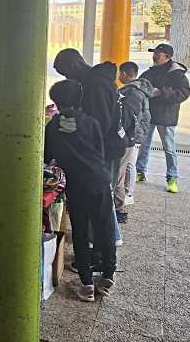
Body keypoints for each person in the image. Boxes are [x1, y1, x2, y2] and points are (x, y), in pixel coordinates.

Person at [44, 80, 117, 302]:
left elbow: (47, 158)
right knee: (105, 229)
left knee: (81, 233)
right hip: (100, 181)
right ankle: (107, 277)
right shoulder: (91, 123)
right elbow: (100, 152)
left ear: (56, 102)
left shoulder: (53, 127)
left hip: (77, 187)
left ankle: (86, 285)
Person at [53, 48, 124, 245]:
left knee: (100, 194)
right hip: (107, 145)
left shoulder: (95, 85)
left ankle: (106, 242)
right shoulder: (94, 80)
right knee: (101, 194)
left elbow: (100, 123)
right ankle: (106, 239)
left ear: (74, 64)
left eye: (66, 72)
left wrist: (76, 129)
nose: (67, 77)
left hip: (105, 148)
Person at [136, 44, 190, 194]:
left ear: (167, 56)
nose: (154, 56)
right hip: (149, 114)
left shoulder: (177, 74)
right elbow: (139, 86)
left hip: (166, 116)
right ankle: (140, 171)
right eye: (154, 53)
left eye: (158, 54)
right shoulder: (150, 72)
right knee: (144, 145)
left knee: (169, 148)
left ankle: (172, 178)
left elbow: (184, 92)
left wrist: (162, 93)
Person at [117, 62, 152, 212]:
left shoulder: (131, 92)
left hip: (133, 133)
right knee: (130, 163)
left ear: (125, 74)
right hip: (138, 131)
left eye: (120, 73)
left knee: (129, 164)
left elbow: (130, 116)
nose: (119, 77)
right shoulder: (140, 88)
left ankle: (128, 193)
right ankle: (128, 192)